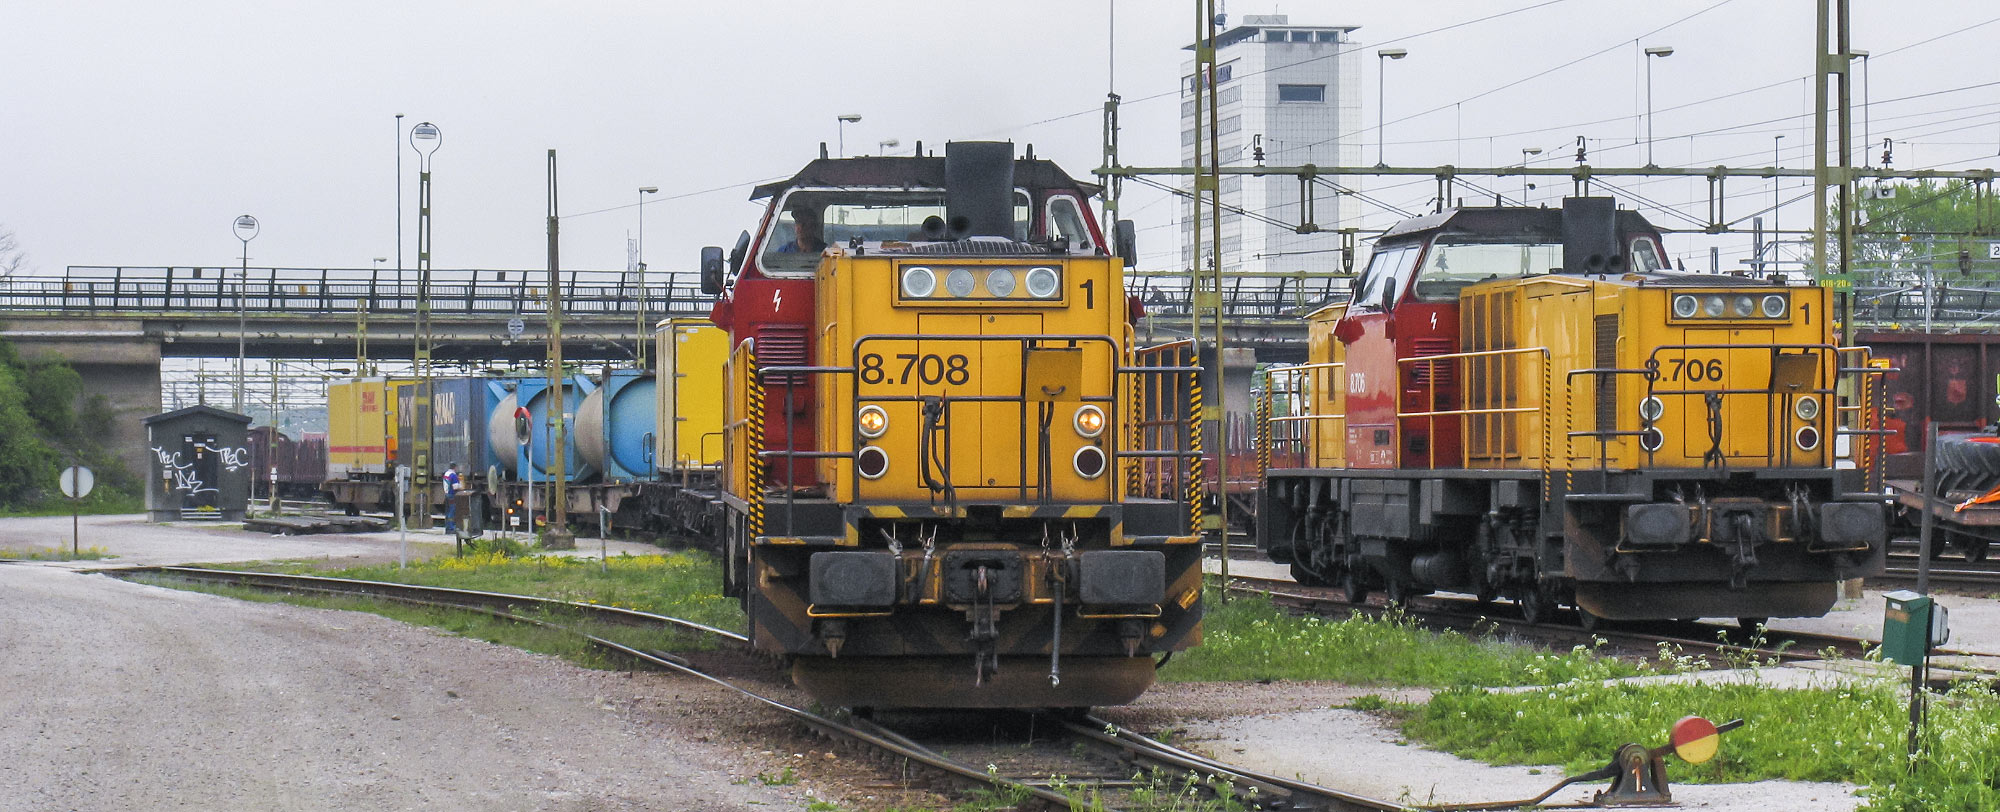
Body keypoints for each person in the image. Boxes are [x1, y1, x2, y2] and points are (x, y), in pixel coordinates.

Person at [442, 463, 462, 534]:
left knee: (447, 512)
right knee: (452, 511)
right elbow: (455, 487)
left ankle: (447, 527)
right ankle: (451, 528)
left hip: (447, 494)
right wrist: (461, 485)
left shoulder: (446, 474)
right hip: (452, 495)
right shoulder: (453, 475)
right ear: (455, 467)